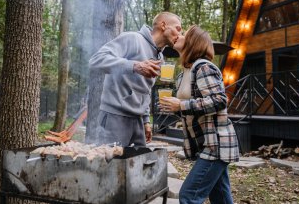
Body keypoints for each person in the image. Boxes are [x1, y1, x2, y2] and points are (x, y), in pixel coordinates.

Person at [160, 25, 239, 204]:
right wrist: (176, 107)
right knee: (220, 198)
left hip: (216, 144)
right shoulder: (184, 74)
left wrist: (181, 104)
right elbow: (194, 110)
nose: (177, 36)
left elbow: (219, 100)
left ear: (193, 42)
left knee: (189, 196)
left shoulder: (203, 67)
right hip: (206, 143)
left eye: (183, 34)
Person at [88, 12, 182, 147]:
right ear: (163, 25)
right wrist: (135, 65)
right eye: (178, 28)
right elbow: (96, 61)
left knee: (136, 164)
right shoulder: (132, 38)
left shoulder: (159, 56)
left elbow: (146, 89)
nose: (180, 34)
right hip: (115, 116)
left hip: (138, 120)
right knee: (111, 164)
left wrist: (145, 120)